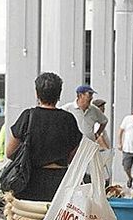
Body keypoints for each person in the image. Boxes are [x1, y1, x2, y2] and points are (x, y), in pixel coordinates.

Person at [7, 73, 83, 201]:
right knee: (56, 219)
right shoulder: (68, 119)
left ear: (37, 94)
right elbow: (73, 156)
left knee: (30, 219)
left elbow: (9, 152)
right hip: (60, 183)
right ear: (59, 95)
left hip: (29, 180)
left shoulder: (28, 116)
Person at [117, 107, 133, 189]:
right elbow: (120, 131)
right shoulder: (127, 119)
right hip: (128, 147)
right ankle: (130, 178)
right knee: (126, 166)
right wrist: (119, 143)